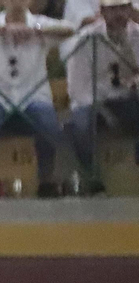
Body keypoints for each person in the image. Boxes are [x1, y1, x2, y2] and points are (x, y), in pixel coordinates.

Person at [0, 0, 75, 197]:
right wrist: (2, 30)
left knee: (49, 125)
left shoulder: (40, 23)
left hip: (33, 96)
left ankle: (46, 180)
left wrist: (34, 30)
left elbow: (69, 29)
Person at [63, 0, 139, 195]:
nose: (119, 15)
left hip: (127, 99)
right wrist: (104, 109)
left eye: (123, 8)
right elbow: (77, 89)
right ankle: (92, 180)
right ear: (103, 11)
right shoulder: (86, 40)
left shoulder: (137, 36)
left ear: (131, 10)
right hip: (93, 101)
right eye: (113, 10)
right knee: (80, 124)